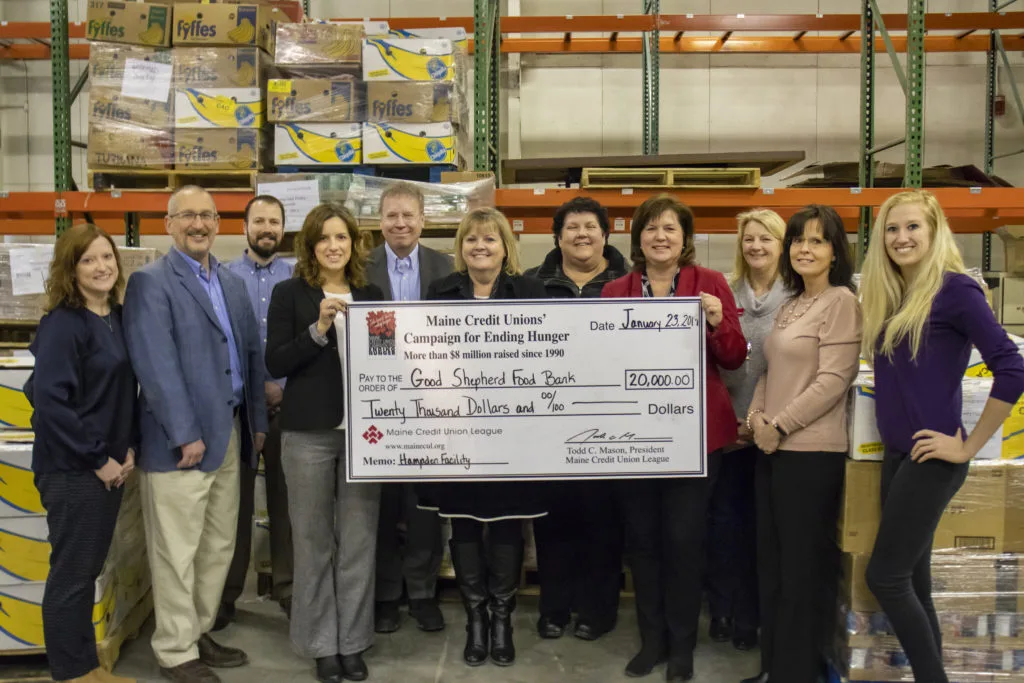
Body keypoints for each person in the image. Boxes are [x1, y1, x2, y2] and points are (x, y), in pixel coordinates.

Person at [859, 191, 1024, 683]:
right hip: (899, 455)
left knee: (884, 577)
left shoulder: (955, 290)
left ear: (934, 233)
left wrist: (968, 445)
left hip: (933, 458)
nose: (901, 237)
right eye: (891, 229)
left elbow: (1012, 368)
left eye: (912, 227)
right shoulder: (895, 294)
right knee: (913, 580)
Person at [123, 186, 268, 683]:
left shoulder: (230, 284)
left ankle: (197, 630)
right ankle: (174, 650)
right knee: (177, 549)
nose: (200, 224)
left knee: (217, 545)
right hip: (180, 444)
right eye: (188, 216)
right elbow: (155, 366)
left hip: (229, 431)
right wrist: (185, 433)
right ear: (168, 224)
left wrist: (258, 426)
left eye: (207, 215)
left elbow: (251, 358)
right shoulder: (150, 283)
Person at [601, 194, 747, 681]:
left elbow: (733, 358)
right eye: (650, 228)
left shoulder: (710, 284)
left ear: (685, 239)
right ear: (637, 238)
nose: (660, 236)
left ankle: (682, 647)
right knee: (642, 543)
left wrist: (716, 321)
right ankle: (652, 641)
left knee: (684, 541)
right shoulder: (615, 290)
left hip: (694, 438)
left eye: (670, 229)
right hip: (633, 438)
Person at [421, 207, 548, 668]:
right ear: (461, 248)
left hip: (514, 435)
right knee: (465, 521)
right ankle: (476, 619)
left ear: (504, 247)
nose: (480, 247)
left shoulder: (531, 292)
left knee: (509, 520)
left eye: (489, 240)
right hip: (457, 434)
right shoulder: (440, 293)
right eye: (472, 240)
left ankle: (502, 619)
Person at [742, 205, 861, 683]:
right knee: (770, 567)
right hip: (771, 450)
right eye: (798, 240)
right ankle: (775, 669)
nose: (804, 249)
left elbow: (834, 380)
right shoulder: (791, 303)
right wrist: (754, 417)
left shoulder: (841, 302)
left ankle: (796, 674)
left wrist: (780, 425)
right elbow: (770, 370)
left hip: (811, 454)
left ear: (835, 251)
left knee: (799, 574)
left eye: (817, 240)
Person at [266, 203, 384, 683]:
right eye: (324, 238)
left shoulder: (373, 293)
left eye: (342, 237)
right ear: (310, 246)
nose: (334, 246)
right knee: (312, 541)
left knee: (358, 541)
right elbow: (275, 362)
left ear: (354, 243)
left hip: (365, 436)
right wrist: (316, 330)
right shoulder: (289, 294)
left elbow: (386, 361)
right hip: (308, 434)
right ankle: (320, 644)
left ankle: (352, 641)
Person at [30, 225, 137, 683]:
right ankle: (70, 675)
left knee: (85, 571)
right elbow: (49, 401)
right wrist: (98, 457)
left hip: (106, 466)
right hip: (74, 470)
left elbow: (119, 393)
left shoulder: (112, 315)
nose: (101, 267)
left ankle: (87, 669)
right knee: (71, 578)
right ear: (70, 270)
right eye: (89, 260)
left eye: (107, 258)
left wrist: (127, 446)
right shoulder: (65, 323)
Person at [524, 197, 628, 641]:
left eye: (590, 226)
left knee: (603, 520)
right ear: (557, 237)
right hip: (549, 423)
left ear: (605, 234)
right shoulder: (530, 284)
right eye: (571, 227)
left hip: (613, 420)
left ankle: (598, 609)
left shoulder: (629, 283)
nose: (581, 234)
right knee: (553, 521)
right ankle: (555, 607)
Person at [366, 182, 452, 634]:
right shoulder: (362, 268)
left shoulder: (444, 266)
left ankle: (421, 592)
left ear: (423, 219)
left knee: (424, 503)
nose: (400, 223)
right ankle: (384, 594)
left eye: (408, 215)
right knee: (380, 502)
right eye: (392, 215)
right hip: (376, 402)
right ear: (380, 220)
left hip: (431, 403)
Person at [710, 209, 790, 651]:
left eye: (766, 239)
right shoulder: (724, 291)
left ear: (782, 244)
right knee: (725, 527)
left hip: (778, 432)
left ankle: (754, 614)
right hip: (729, 433)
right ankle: (723, 609)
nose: (756, 247)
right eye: (749, 239)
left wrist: (764, 422)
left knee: (765, 530)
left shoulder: (797, 296)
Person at [215, 195, 295, 630]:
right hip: (240, 411)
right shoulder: (223, 277)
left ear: (284, 228)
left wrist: (280, 388)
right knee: (233, 505)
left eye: (275, 221)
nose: (267, 228)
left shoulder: (297, 275)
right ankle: (227, 593)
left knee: (288, 504)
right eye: (259, 220)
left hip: (287, 408)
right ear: (244, 226)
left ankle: (288, 588)